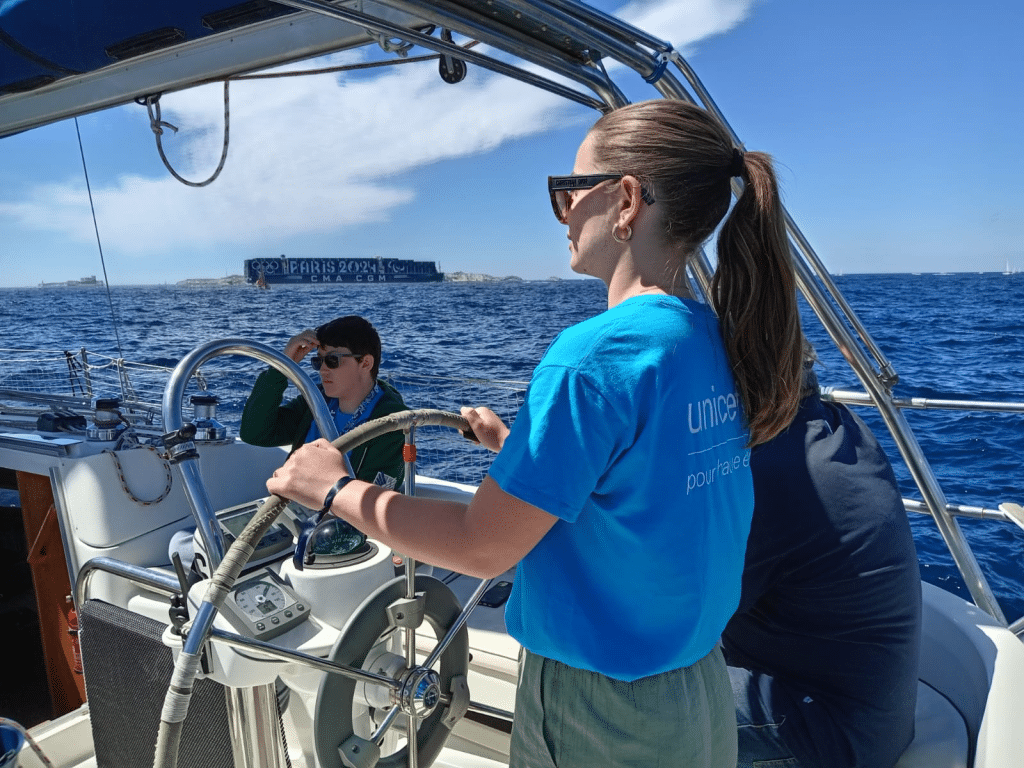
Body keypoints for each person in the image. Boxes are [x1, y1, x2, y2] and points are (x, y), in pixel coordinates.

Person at [268, 99, 805, 767]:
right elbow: (643, 477)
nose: (564, 213)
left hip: (600, 708)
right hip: (693, 688)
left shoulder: (593, 356)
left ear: (628, 200)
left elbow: (479, 547)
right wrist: (513, 447)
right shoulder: (712, 340)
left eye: (568, 191)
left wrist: (332, 488)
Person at [722, 355, 922, 768]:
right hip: (867, 715)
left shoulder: (774, 471)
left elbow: (679, 619)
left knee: (619, 696)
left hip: (828, 733)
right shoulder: (836, 426)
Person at [240, 315, 408, 490]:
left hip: (332, 515)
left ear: (365, 363)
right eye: (318, 360)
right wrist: (283, 366)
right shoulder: (315, 402)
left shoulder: (391, 425)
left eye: (332, 360)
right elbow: (255, 433)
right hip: (293, 509)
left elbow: (369, 505)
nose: (322, 369)